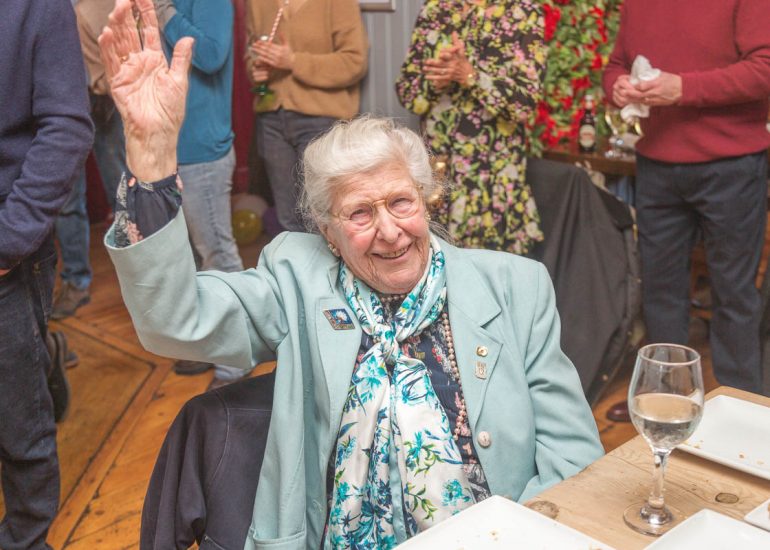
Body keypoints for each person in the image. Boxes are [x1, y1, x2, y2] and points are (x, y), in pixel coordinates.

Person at [99, 1, 603, 547]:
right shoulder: (295, 279)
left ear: (426, 199)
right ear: (328, 233)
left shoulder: (516, 289)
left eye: (402, 202)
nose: (389, 231)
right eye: (360, 214)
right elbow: (176, 320)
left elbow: (573, 460)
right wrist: (151, 158)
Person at [603, 0, 770, 395]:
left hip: (732, 165)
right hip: (656, 164)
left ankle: (740, 406)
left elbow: (764, 68)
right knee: (659, 291)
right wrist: (618, 86)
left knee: (734, 294)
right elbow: (615, 66)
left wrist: (683, 88)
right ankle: (664, 403)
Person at [0, 0, 94, 548]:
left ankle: (28, 539)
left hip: (8, 260)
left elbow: (67, 126)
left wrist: (9, 240)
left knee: (19, 426)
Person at [396, 0, 545, 255]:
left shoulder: (522, 11)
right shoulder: (435, 9)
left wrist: (470, 76)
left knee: (492, 271)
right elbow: (409, 95)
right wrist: (437, 81)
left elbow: (524, 105)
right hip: (439, 178)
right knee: (435, 266)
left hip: (492, 181)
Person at [152, 0, 247, 385]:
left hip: (202, 151)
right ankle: (210, 345)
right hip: (168, 150)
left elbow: (210, 54)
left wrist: (165, 13)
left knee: (218, 256)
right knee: (189, 260)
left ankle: (237, 360)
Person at [245, 0, 368, 232]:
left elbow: (354, 62)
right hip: (271, 118)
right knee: (287, 218)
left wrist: (293, 61)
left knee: (326, 216)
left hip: (322, 118)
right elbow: (251, 53)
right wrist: (256, 69)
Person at [51, 0, 128, 320]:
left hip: (105, 100)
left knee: (123, 194)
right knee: (66, 199)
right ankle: (76, 280)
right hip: (60, 105)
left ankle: (140, 277)